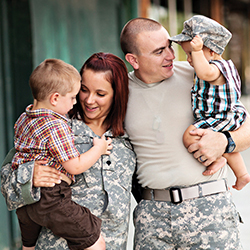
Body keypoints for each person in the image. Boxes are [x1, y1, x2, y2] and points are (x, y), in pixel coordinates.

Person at [120, 17, 250, 249]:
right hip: (152, 217)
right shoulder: (118, 94)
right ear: (133, 60)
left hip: (210, 211)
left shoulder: (200, 77)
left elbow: (245, 125)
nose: (171, 55)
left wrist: (224, 141)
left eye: (170, 46)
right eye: (159, 51)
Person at [1, 53, 136, 250]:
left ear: (117, 94)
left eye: (100, 94)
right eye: (83, 90)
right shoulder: (53, 125)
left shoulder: (131, 136)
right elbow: (6, 178)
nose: (89, 100)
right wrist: (29, 176)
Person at [170, 15, 250, 191]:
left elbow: (204, 72)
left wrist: (197, 53)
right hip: (224, 114)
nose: (189, 59)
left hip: (218, 116)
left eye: (191, 54)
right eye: (187, 54)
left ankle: (216, 158)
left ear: (212, 52)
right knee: (227, 145)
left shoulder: (215, 69)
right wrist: (197, 52)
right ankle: (242, 174)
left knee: (189, 135)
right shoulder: (223, 66)